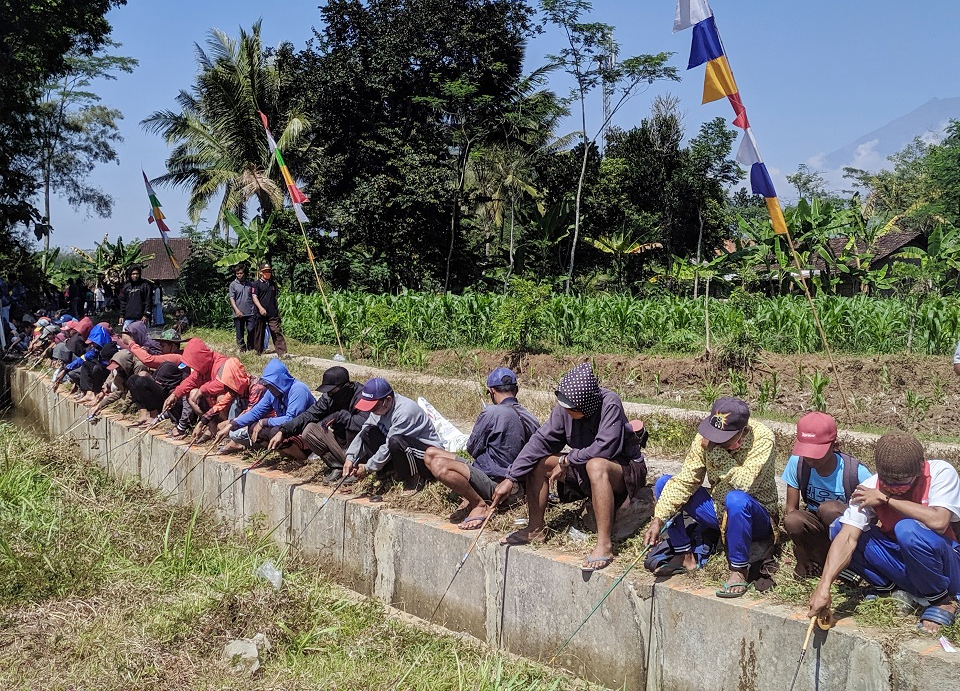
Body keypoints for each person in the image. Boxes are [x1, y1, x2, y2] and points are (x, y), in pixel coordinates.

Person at [492, 362, 647, 572]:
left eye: (571, 408)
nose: (565, 411)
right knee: (540, 462)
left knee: (596, 465)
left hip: (622, 470)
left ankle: (604, 544)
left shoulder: (609, 403)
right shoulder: (564, 412)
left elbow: (604, 448)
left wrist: (567, 460)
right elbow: (539, 442)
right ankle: (535, 528)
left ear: (586, 404)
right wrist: (510, 478)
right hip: (584, 464)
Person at [808, 432, 960, 636]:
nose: (895, 487)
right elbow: (847, 539)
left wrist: (887, 499)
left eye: (901, 481)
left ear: (920, 467)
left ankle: (943, 600)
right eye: (888, 480)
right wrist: (824, 586)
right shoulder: (870, 487)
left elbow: (939, 522)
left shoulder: (941, 473)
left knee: (907, 530)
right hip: (907, 563)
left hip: (946, 565)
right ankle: (892, 588)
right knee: (839, 529)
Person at [643, 397, 778, 597]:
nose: (716, 442)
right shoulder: (705, 438)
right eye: (714, 437)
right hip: (717, 509)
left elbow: (744, 483)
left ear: (743, 432)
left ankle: (739, 570)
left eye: (724, 440)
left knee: (736, 499)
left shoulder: (763, 439)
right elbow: (686, 480)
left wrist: (716, 454)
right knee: (666, 483)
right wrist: (659, 518)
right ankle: (684, 555)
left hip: (755, 513)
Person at [423, 367, 540, 529]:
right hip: (514, 482)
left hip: (500, 484)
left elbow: (472, 448)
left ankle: (479, 504)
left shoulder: (491, 413)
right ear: (516, 390)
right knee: (431, 453)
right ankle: (473, 494)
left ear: (491, 391)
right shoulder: (531, 417)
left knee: (438, 465)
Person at [782, 412, 871, 578]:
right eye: (806, 450)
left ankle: (849, 563)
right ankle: (814, 558)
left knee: (829, 509)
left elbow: (873, 519)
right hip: (818, 531)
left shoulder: (856, 473)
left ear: (835, 445)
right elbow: (790, 509)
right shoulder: (798, 463)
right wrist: (801, 555)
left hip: (846, 532)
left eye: (816, 452)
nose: (810, 458)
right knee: (793, 519)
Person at [265, 366, 369, 483]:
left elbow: (364, 425)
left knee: (352, 428)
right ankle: (338, 466)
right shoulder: (329, 398)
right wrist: (283, 431)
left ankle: (356, 469)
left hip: (362, 448)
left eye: (332, 391)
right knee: (309, 431)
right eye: (327, 392)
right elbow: (308, 415)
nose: (329, 395)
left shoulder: (362, 396)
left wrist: (341, 416)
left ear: (345, 387)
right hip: (341, 443)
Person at [342, 378, 443, 492]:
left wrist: (367, 467)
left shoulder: (405, 412)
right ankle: (389, 474)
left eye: (374, 407)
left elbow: (388, 445)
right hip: (402, 449)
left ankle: (414, 478)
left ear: (388, 400)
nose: (372, 411)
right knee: (368, 431)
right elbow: (364, 431)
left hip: (426, 455)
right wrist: (350, 458)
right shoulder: (379, 409)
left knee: (395, 442)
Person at [219, 358, 315, 454]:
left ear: (279, 382)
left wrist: (265, 421)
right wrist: (232, 424)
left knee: (275, 431)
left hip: (304, 429)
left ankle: (300, 457)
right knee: (253, 428)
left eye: (270, 385)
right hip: (287, 427)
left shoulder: (298, 390)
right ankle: (284, 454)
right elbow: (256, 412)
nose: (268, 388)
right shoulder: (271, 393)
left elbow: (291, 419)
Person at [251, 262, 287, 357]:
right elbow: (254, 297)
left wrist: (277, 312)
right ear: (261, 272)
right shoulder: (256, 284)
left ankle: (282, 352)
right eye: (266, 271)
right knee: (259, 332)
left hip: (272, 312)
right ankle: (258, 351)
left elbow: (274, 298)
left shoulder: (272, 284)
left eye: (269, 271)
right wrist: (260, 308)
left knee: (276, 331)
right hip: (260, 312)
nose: (268, 273)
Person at [229, 264, 256, 352]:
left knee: (251, 329)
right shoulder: (233, 285)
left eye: (240, 273)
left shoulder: (250, 284)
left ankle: (251, 347)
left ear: (244, 273)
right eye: (237, 273)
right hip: (238, 312)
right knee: (239, 332)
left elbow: (254, 296)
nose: (239, 275)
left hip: (250, 311)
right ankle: (242, 349)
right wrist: (236, 310)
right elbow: (232, 298)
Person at [117, 266, 152, 332]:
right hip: (128, 318)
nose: (135, 276)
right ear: (130, 275)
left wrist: (146, 315)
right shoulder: (126, 287)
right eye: (133, 274)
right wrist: (121, 315)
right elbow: (123, 302)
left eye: (137, 274)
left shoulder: (145, 286)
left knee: (141, 338)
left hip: (141, 318)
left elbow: (148, 301)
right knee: (125, 336)